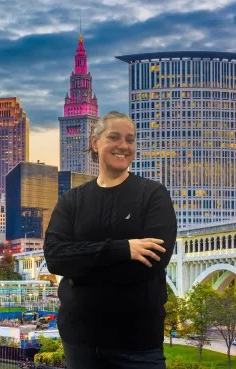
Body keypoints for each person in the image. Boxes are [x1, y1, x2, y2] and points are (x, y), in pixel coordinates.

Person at [44, 111, 177, 369]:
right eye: (114, 137)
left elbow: (153, 261)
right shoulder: (71, 200)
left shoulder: (153, 195)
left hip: (138, 345)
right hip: (80, 344)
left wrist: (79, 275)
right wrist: (123, 249)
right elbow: (55, 257)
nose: (123, 146)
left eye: (130, 139)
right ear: (95, 142)